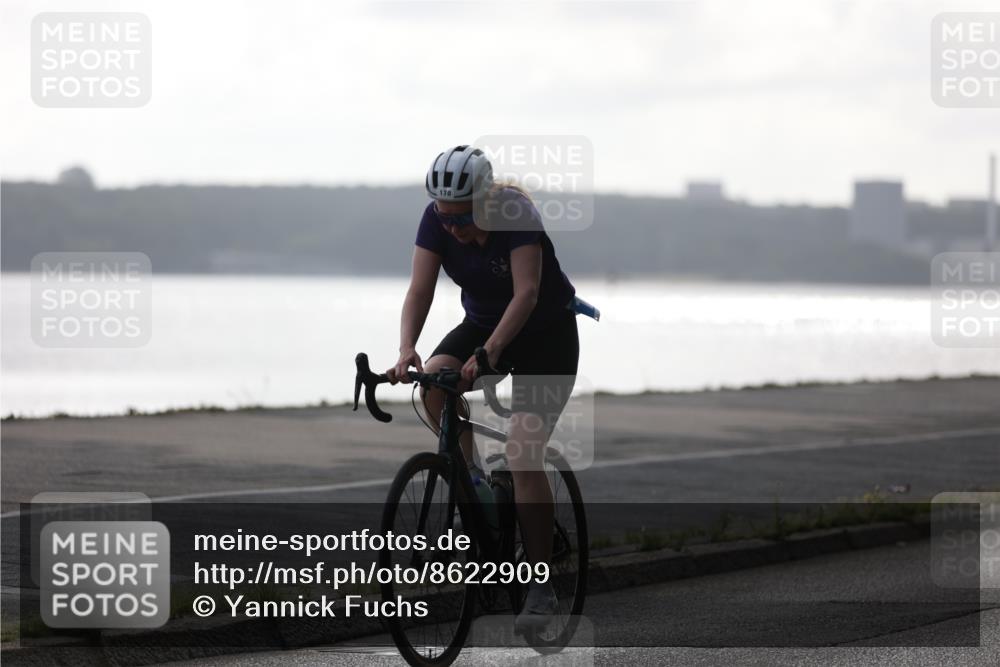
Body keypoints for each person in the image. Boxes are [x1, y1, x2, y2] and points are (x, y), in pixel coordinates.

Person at [386, 145, 580, 631]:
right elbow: (420, 290)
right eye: (445, 218)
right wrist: (407, 347)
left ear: (486, 202)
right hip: (483, 325)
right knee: (433, 383)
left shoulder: (515, 213)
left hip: (545, 335)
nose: (453, 228)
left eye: (462, 218)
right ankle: (471, 481)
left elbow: (528, 293)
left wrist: (490, 353)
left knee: (521, 452)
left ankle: (540, 589)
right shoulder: (437, 219)